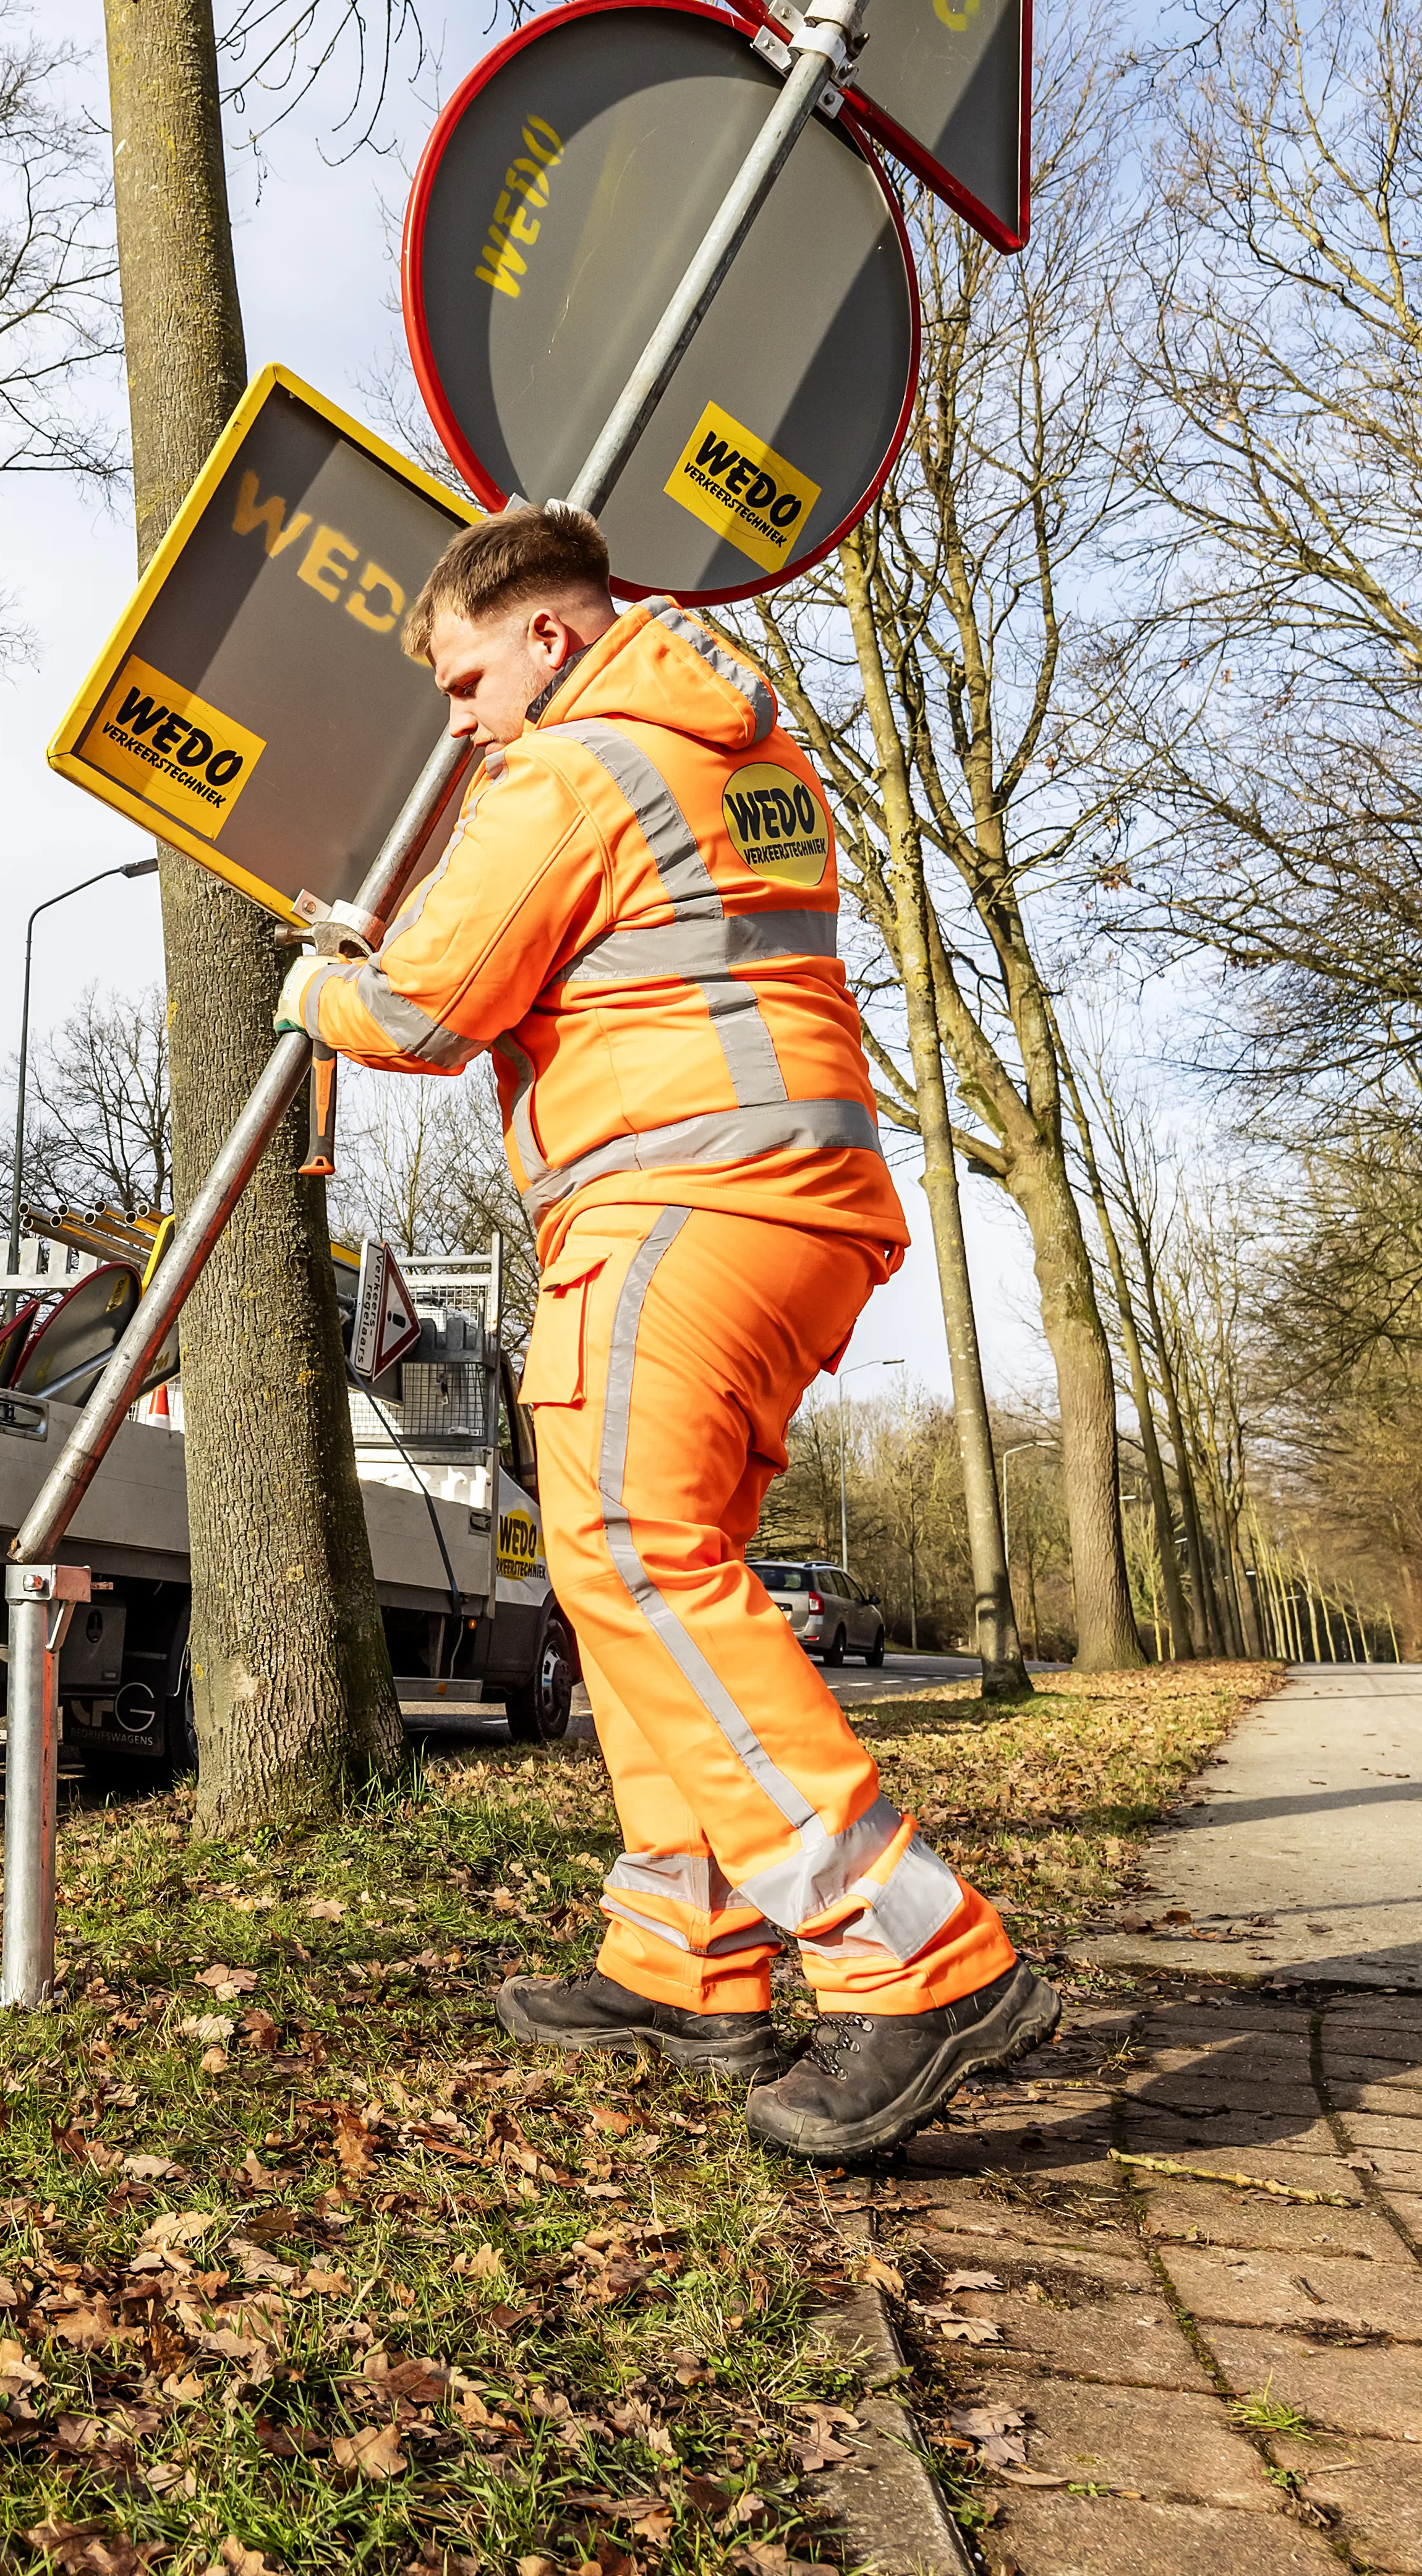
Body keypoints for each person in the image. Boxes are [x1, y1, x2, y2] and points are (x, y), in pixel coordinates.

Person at [278, 498, 1055, 2163]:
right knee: (631, 1560)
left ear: (551, 634)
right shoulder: (731, 744)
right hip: (780, 1199)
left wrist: (318, 981)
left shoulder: (573, 767)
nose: (459, 718)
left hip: (683, 1193)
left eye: (468, 677)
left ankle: (908, 1954)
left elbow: (420, 1004)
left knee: (632, 1551)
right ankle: (684, 1952)